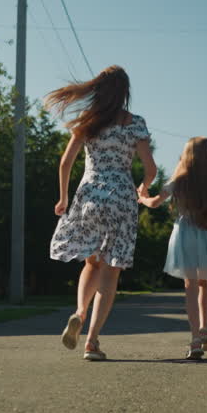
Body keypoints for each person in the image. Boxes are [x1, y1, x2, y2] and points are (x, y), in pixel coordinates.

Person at [47, 66, 156, 361]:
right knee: (111, 270)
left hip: (90, 195)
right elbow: (151, 168)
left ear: (98, 89)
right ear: (125, 92)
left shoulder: (88, 122)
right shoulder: (135, 123)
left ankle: (80, 313)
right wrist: (142, 189)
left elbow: (65, 162)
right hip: (121, 197)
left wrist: (63, 198)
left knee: (92, 264)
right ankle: (92, 342)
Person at [139, 136, 207, 360]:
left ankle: (195, 339)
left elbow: (155, 202)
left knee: (190, 286)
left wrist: (142, 198)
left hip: (185, 233)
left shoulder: (179, 179)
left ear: (186, 156)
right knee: (203, 283)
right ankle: (204, 328)